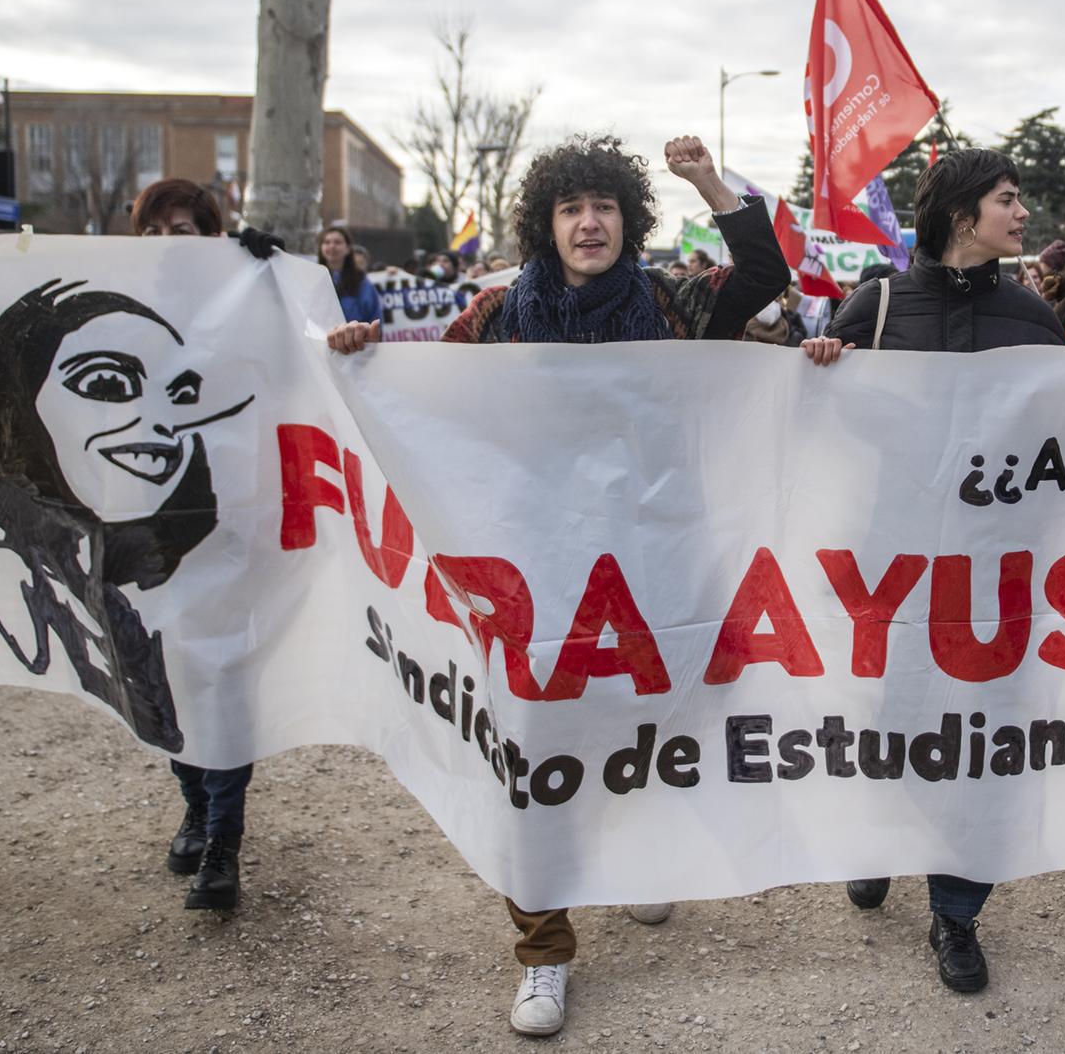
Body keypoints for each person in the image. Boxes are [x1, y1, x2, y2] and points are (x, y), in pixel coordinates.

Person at [328, 133, 789, 1039]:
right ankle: (544, 954)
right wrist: (362, 351)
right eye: (572, 208)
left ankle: (636, 860)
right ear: (547, 224)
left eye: (605, 206)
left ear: (630, 218)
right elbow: (423, 396)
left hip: (654, 564)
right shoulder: (497, 317)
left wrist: (706, 179)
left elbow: (762, 274)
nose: (590, 222)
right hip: (534, 572)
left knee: (655, 724)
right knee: (529, 744)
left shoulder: (671, 301)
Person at [798, 148, 1065, 996]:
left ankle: (957, 912)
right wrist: (821, 364)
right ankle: (879, 845)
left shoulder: (1032, 315)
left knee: (978, 737)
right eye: (1009, 201)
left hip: (995, 566)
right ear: (963, 213)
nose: (1023, 216)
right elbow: (813, 420)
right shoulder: (881, 302)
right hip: (899, 566)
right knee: (896, 721)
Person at [130, 178, 282, 912]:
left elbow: (299, 356)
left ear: (210, 237)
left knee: (222, 681)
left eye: (184, 230)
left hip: (229, 527)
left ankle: (223, 842)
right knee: (163, 682)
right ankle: (193, 803)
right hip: (139, 534)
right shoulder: (117, 317)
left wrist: (269, 276)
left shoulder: (241, 307)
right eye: (154, 232)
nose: (168, 244)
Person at [319, 225, 382, 328]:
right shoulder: (313, 280)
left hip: (354, 342)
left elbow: (375, 319)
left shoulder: (362, 283)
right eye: (327, 242)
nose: (332, 246)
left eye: (337, 242)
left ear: (348, 248)